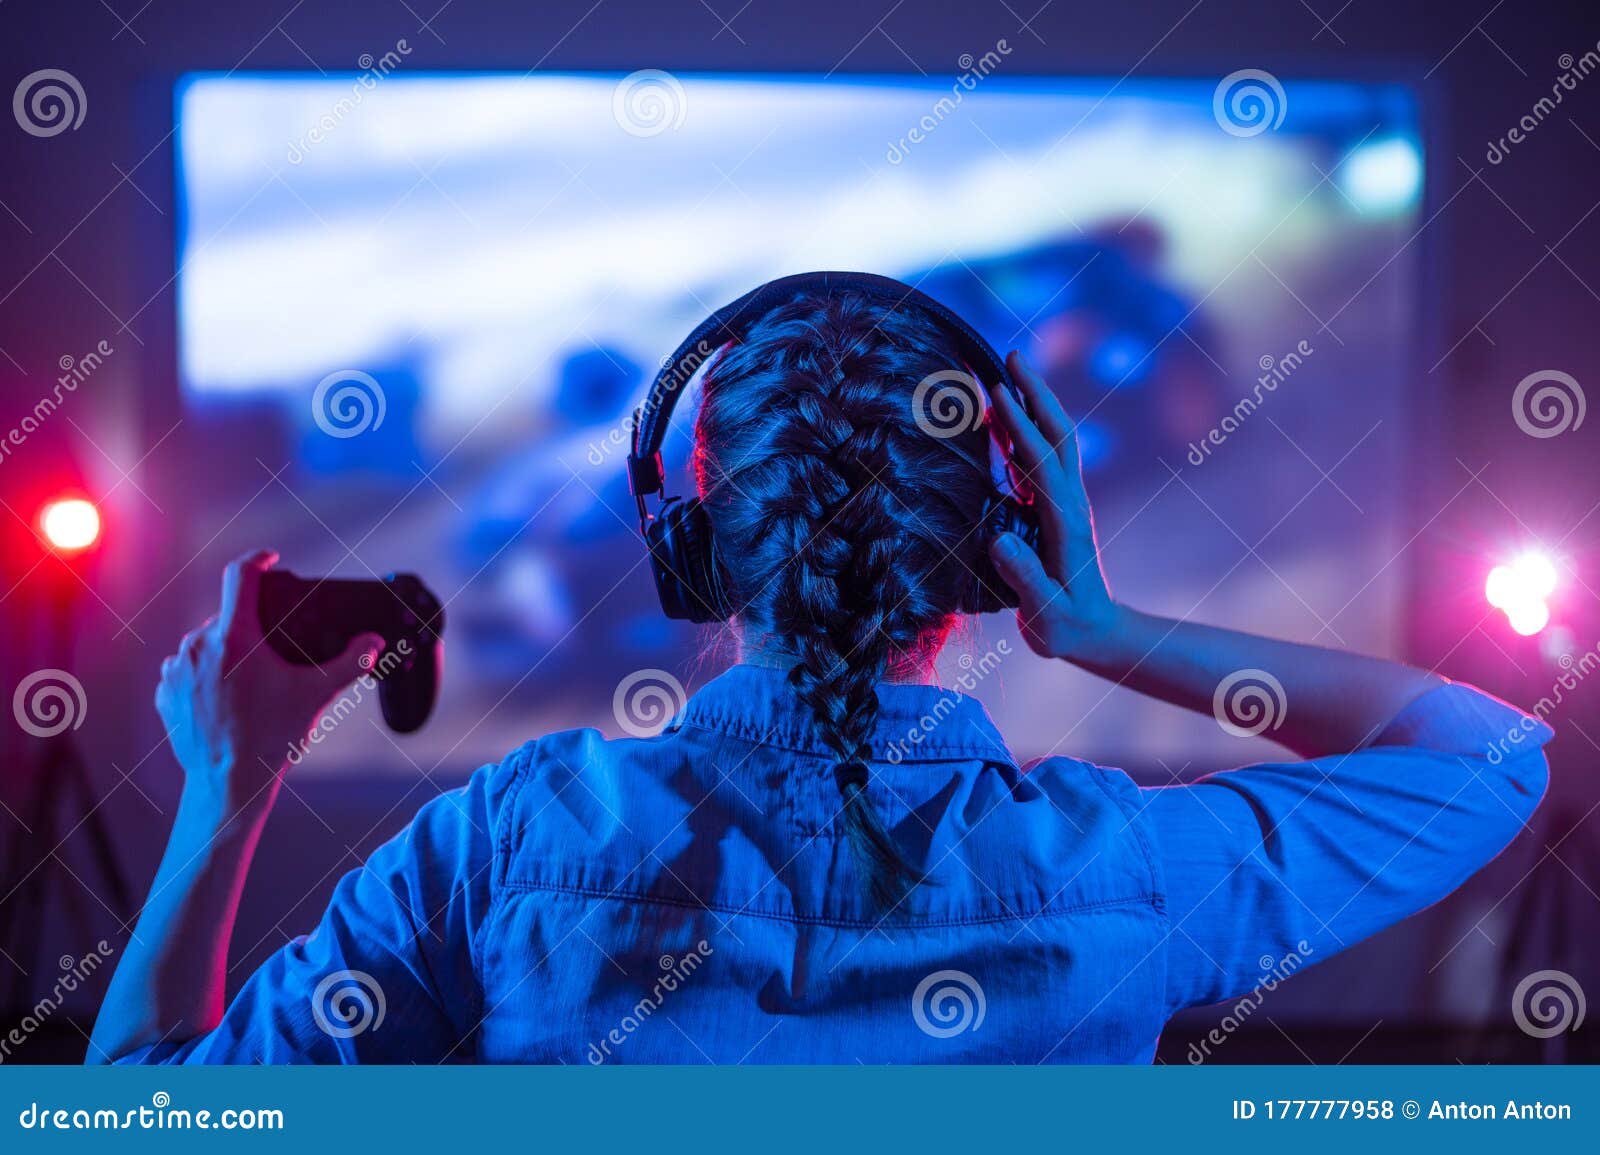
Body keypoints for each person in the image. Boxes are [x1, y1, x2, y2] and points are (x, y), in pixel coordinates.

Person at [90, 290, 1550, 1063]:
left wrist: (228, 790)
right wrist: (1105, 629)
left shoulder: (501, 847)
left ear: (693, 537)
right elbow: (1488, 753)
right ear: (991, 548)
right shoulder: (1133, 874)